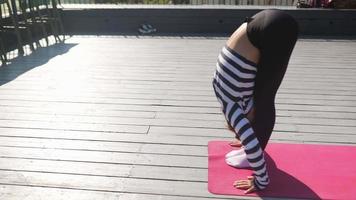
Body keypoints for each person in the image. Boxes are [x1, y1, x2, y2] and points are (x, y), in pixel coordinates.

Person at [212, 9, 299, 193]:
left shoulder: (232, 107)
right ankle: (257, 141)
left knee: (265, 100)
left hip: (273, 29)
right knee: (262, 98)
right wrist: (243, 137)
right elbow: (247, 131)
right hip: (260, 21)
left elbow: (249, 139)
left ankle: (262, 179)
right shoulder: (222, 91)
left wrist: (261, 180)